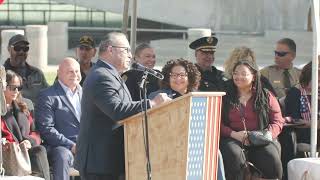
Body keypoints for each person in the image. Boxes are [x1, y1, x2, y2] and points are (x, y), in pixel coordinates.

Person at [75, 32, 171, 180]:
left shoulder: (111, 74)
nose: (130, 55)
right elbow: (118, 110)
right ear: (110, 49)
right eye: (126, 50)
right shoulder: (101, 76)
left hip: (110, 159)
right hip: (99, 162)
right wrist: (152, 103)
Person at [149, 58, 226, 180]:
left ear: (189, 77)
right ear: (167, 77)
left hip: (195, 141)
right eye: (173, 75)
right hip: (167, 143)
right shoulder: (157, 96)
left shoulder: (199, 96)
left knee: (214, 152)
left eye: (182, 75)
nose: (178, 78)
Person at [220, 60, 284, 180]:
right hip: (233, 138)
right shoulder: (224, 96)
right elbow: (216, 123)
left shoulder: (266, 95)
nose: (238, 77)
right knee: (233, 154)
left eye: (243, 73)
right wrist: (234, 134)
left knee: (270, 156)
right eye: (235, 73)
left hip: (261, 138)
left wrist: (264, 135)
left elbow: (278, 121)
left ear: (253, 76)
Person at [36, 57, 82, 180]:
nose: (75, 75)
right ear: (59, 73)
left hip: (85, 146)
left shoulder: (86, 94)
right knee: (63, 155)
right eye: (70, 71)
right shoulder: (47, 96)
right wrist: (71, 145)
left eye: (77, 71)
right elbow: (46, 129)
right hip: (60, 147)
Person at [1, 70, 50, 179]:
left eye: (19, 88)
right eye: (13, 87)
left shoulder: (25, 105)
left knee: (40, 150)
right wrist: (9, 144)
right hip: (9, 154)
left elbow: (35, 132)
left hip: (27, 150)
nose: (17, 91)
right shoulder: (1, 110)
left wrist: (29, 141)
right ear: (3, 87)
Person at [3, 34, 49, 104]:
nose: (21, 52)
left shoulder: (37, 73)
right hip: (11, 113)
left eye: (25, 49)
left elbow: (48, 94)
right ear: (9, 49)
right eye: (17, 48)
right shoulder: (2, 74)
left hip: (35, 113)